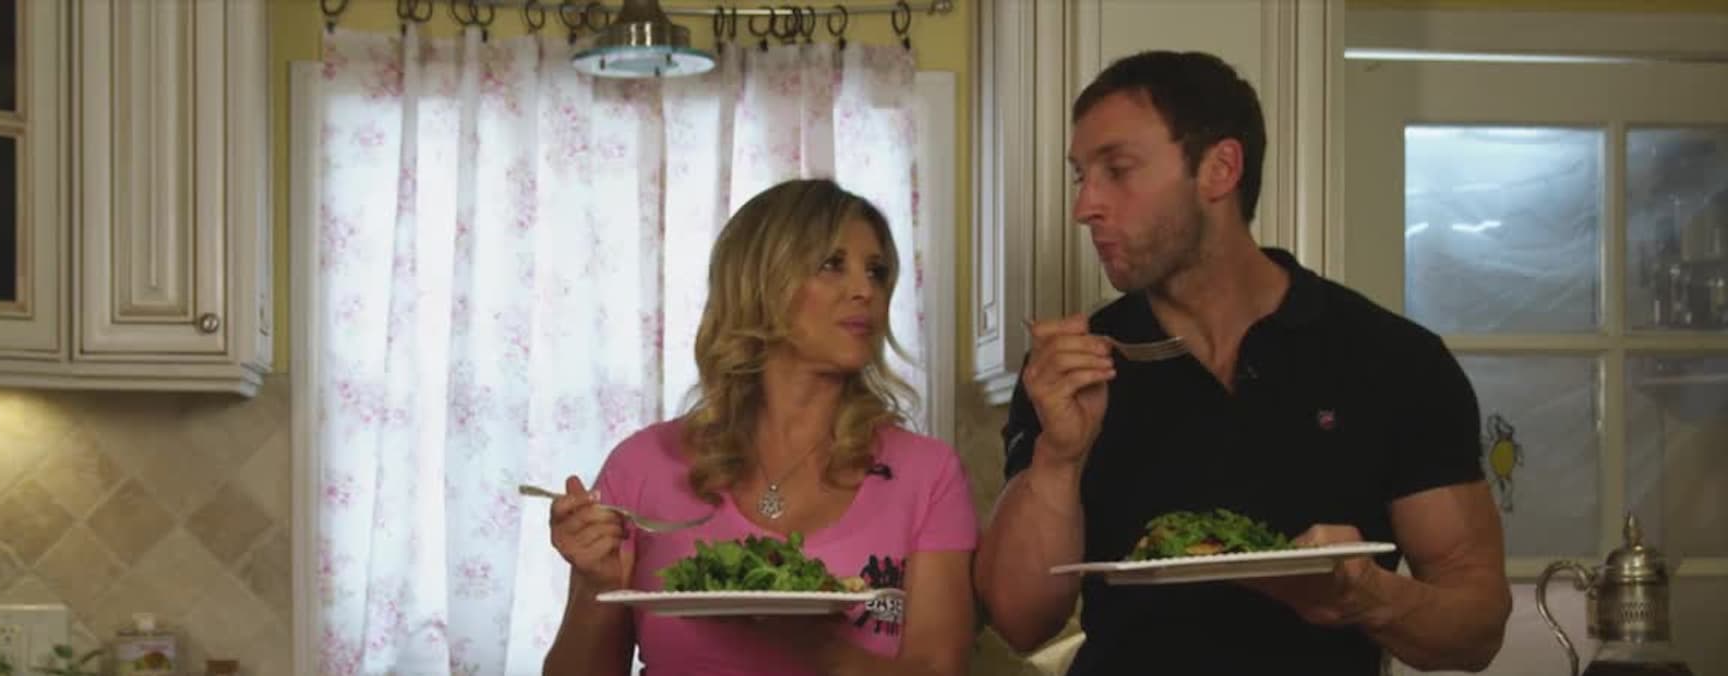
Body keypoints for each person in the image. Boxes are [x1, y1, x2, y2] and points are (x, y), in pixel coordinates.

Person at [974, 51, 1513, 674]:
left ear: (1220, 169)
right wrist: (1058, 457)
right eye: (1080, 176)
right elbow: (1019, 621)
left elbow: (1476, 628)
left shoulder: (1393, 360)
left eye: (1117, 170)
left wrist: (1368, 595)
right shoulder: (1075, 367)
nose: (1084, 206)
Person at [543, 178, 977, 676]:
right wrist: (594, 587)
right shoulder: (642, 466)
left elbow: (938, 670)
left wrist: (818, 648)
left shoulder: (928, 473)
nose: (866, 291)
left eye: (876, 272)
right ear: (759, 284)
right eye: (832, 264)